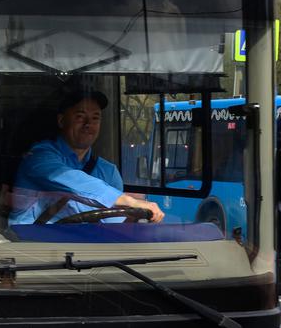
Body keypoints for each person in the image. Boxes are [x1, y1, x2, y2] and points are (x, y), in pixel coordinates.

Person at [9, 87, 165, 225]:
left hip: (86, 251)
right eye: (80, 116)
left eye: (95, 118)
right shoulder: (38, 158)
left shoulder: (108, 171)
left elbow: (112, 225)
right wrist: (130, 201)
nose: (88, 124)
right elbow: (70, 179)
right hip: (30, 248)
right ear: (62, 120)